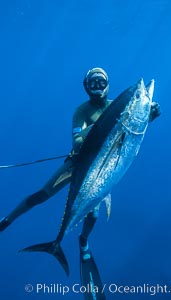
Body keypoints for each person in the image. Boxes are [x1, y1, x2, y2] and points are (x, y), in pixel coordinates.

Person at [0, 68, 161, 255]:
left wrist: (149, 116)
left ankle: (83, 241)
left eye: (101, 82)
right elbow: (77, 142)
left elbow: (129, 131)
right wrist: (102, 124)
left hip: (102, 168)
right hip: (78, 164)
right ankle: (6, 220)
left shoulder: (117, 106)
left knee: (93, 214)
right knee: (42, 194)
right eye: (93, 83)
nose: (97, 87)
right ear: (86, 87)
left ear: (108, 85)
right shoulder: (82, 111)